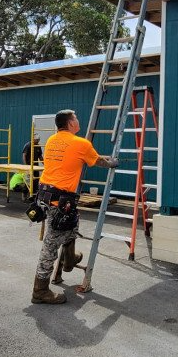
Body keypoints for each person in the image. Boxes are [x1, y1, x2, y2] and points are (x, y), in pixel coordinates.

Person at [31, 110, 118, 305]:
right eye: (76, 118)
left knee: (72, 228)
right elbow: (99, 161)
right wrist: (113, 162)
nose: (79, 120)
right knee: (50, 246)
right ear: (70, 124)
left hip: (46, 195)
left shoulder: (52, 140)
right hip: (59, 201)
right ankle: (40, 290)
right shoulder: (81, 144)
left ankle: (69, 260)